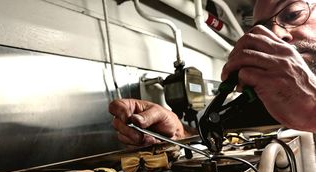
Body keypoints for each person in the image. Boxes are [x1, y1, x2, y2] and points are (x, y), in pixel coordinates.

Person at [109, 0, 316, 147]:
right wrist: (179, 135)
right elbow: (224, 139)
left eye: (293, 14)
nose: (277, 35)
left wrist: (311, 110)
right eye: (264, 30)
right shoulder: (272, 99)